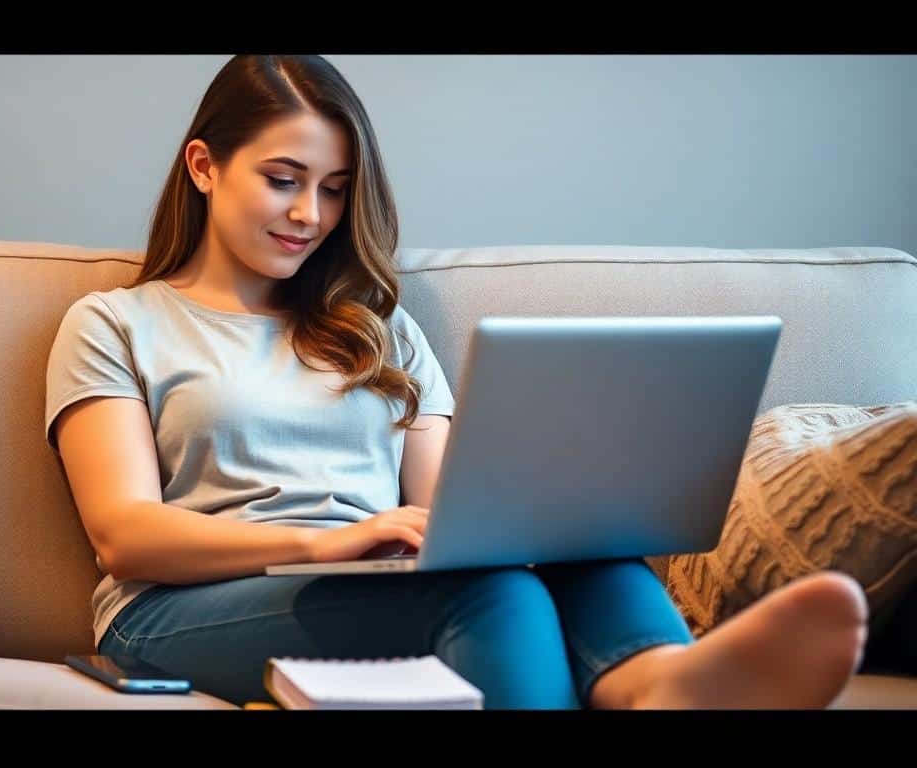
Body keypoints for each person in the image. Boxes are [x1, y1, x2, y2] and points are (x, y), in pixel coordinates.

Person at [43, 54, 869, 709]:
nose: (312, 216)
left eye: (334, 190)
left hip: (366, 581)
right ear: (203, 166)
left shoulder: (379, 330)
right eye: (284, 179)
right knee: (493, 597)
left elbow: (451, 512)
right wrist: (319, 542)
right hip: (179, 609)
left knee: (595, 559)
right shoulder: (115, 323)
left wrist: (541, 518)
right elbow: (126, 534)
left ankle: (658, 687)